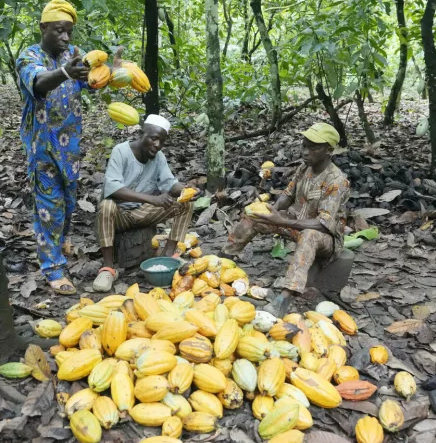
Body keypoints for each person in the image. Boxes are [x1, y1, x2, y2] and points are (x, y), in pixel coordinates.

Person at [221, 122, 350, 316]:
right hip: (295, 223)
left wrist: (282, 221)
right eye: (304, 146)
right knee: (254, 215)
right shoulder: (303, 169)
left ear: (329, 150)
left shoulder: (336, 181)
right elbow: (287, 195)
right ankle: (222, 261)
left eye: (313, 148)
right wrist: (273, 209)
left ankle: (284, 297)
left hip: (326, 239)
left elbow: (324, 224)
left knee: (309, 235)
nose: (306, 152)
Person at [16, 0, 91, 295]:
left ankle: (61, 242)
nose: (66, 38)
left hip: (70, 145)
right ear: (43, 27)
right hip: (42, 147)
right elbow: (39, 83)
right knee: (50, 208)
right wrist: (65, 73)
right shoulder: (28, 57)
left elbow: (91, 82)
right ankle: (53, 268)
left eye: (69, 32)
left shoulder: (73, 54)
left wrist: (113, 71)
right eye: (59, 31)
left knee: (69, 203)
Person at [94, 115, 194, 292]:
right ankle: (108, 268)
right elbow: (113, 188)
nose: (157, 145)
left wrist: (186, 189)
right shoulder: (121, 151)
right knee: (106, 206)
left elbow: (169, 183)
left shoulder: (158, 157)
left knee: (185, 204)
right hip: (119, 215)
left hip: (142, 213)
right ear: (141, 134)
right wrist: (152, 199)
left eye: (161, 141)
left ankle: (169, 254)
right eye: (153, 138)